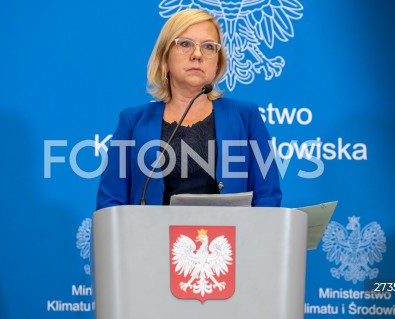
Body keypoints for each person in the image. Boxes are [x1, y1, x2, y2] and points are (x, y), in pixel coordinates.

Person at [96, 9, 282, 209]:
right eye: (185, 44)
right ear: (164, 57)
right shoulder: (133, 121)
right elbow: (110, 204)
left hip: (230, 239)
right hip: (152, 238)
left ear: (218, 63)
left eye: (209, 47)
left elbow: (267, 198)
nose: (197, 54)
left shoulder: (246, 117)